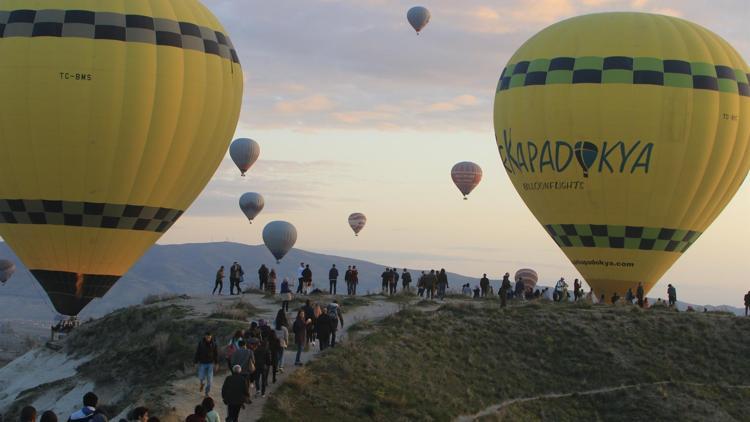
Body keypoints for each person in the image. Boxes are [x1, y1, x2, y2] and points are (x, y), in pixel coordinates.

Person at [194, 332, 219, 397]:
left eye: (209, 337)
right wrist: (195, 362)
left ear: (211, 337)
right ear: (205, 336)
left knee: (210, 380)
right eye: (207, 337)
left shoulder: (214, 344)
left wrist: (216, 363)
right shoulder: (201, 343)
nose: (208, 338)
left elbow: (216, 354)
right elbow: (198, 352)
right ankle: (202, 383)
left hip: (210, 363)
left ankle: (207, 392)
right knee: (201, 377)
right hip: (202, 363)